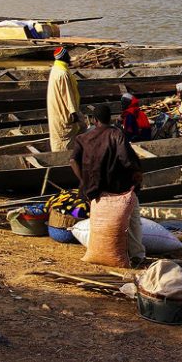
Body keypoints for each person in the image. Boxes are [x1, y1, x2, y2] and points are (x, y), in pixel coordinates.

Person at [70, 104, 145, 268]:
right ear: (109, 118)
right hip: (118, 189)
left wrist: (83, 180)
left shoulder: (83, 138)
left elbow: (72, 160)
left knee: (96, 221)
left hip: (94, 191)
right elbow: (126, 159)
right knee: (133, 221)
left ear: (94, 120)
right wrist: (137, 176)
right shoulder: (116, 134)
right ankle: (137, 255)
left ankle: (98, 249)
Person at [47, 47, 83, 152]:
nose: (69, 57)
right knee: (64, 143)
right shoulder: (62, 74)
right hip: (63, 113)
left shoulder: (56, 69)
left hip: (57, 112)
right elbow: (67, 95)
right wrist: (73, 112)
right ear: (63, 57)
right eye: (67, 55)